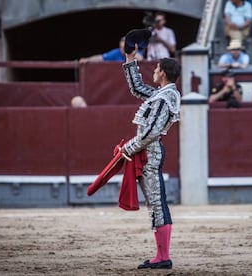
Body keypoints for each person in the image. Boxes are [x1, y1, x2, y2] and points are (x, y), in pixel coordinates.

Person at [120, 44, 181, 270]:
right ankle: (160, 255)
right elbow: (137, 89)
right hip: (149, 151)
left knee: (157, 202)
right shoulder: (162, 94)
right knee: (154, 203)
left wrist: (129, 147)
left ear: (163, 72)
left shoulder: (167, 96)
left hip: (151, 152)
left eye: (156, 68)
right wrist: (129, 58)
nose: (154, 71)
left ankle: (163, 257)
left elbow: (151, 132)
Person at [79, 36, 143, 63]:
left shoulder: (135, 52)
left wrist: (131, 52)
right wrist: (88, 59)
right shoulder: (116, 52)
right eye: (121, 47)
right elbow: (101, 57)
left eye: (125, 47)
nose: (123, 49)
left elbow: (140, 59)